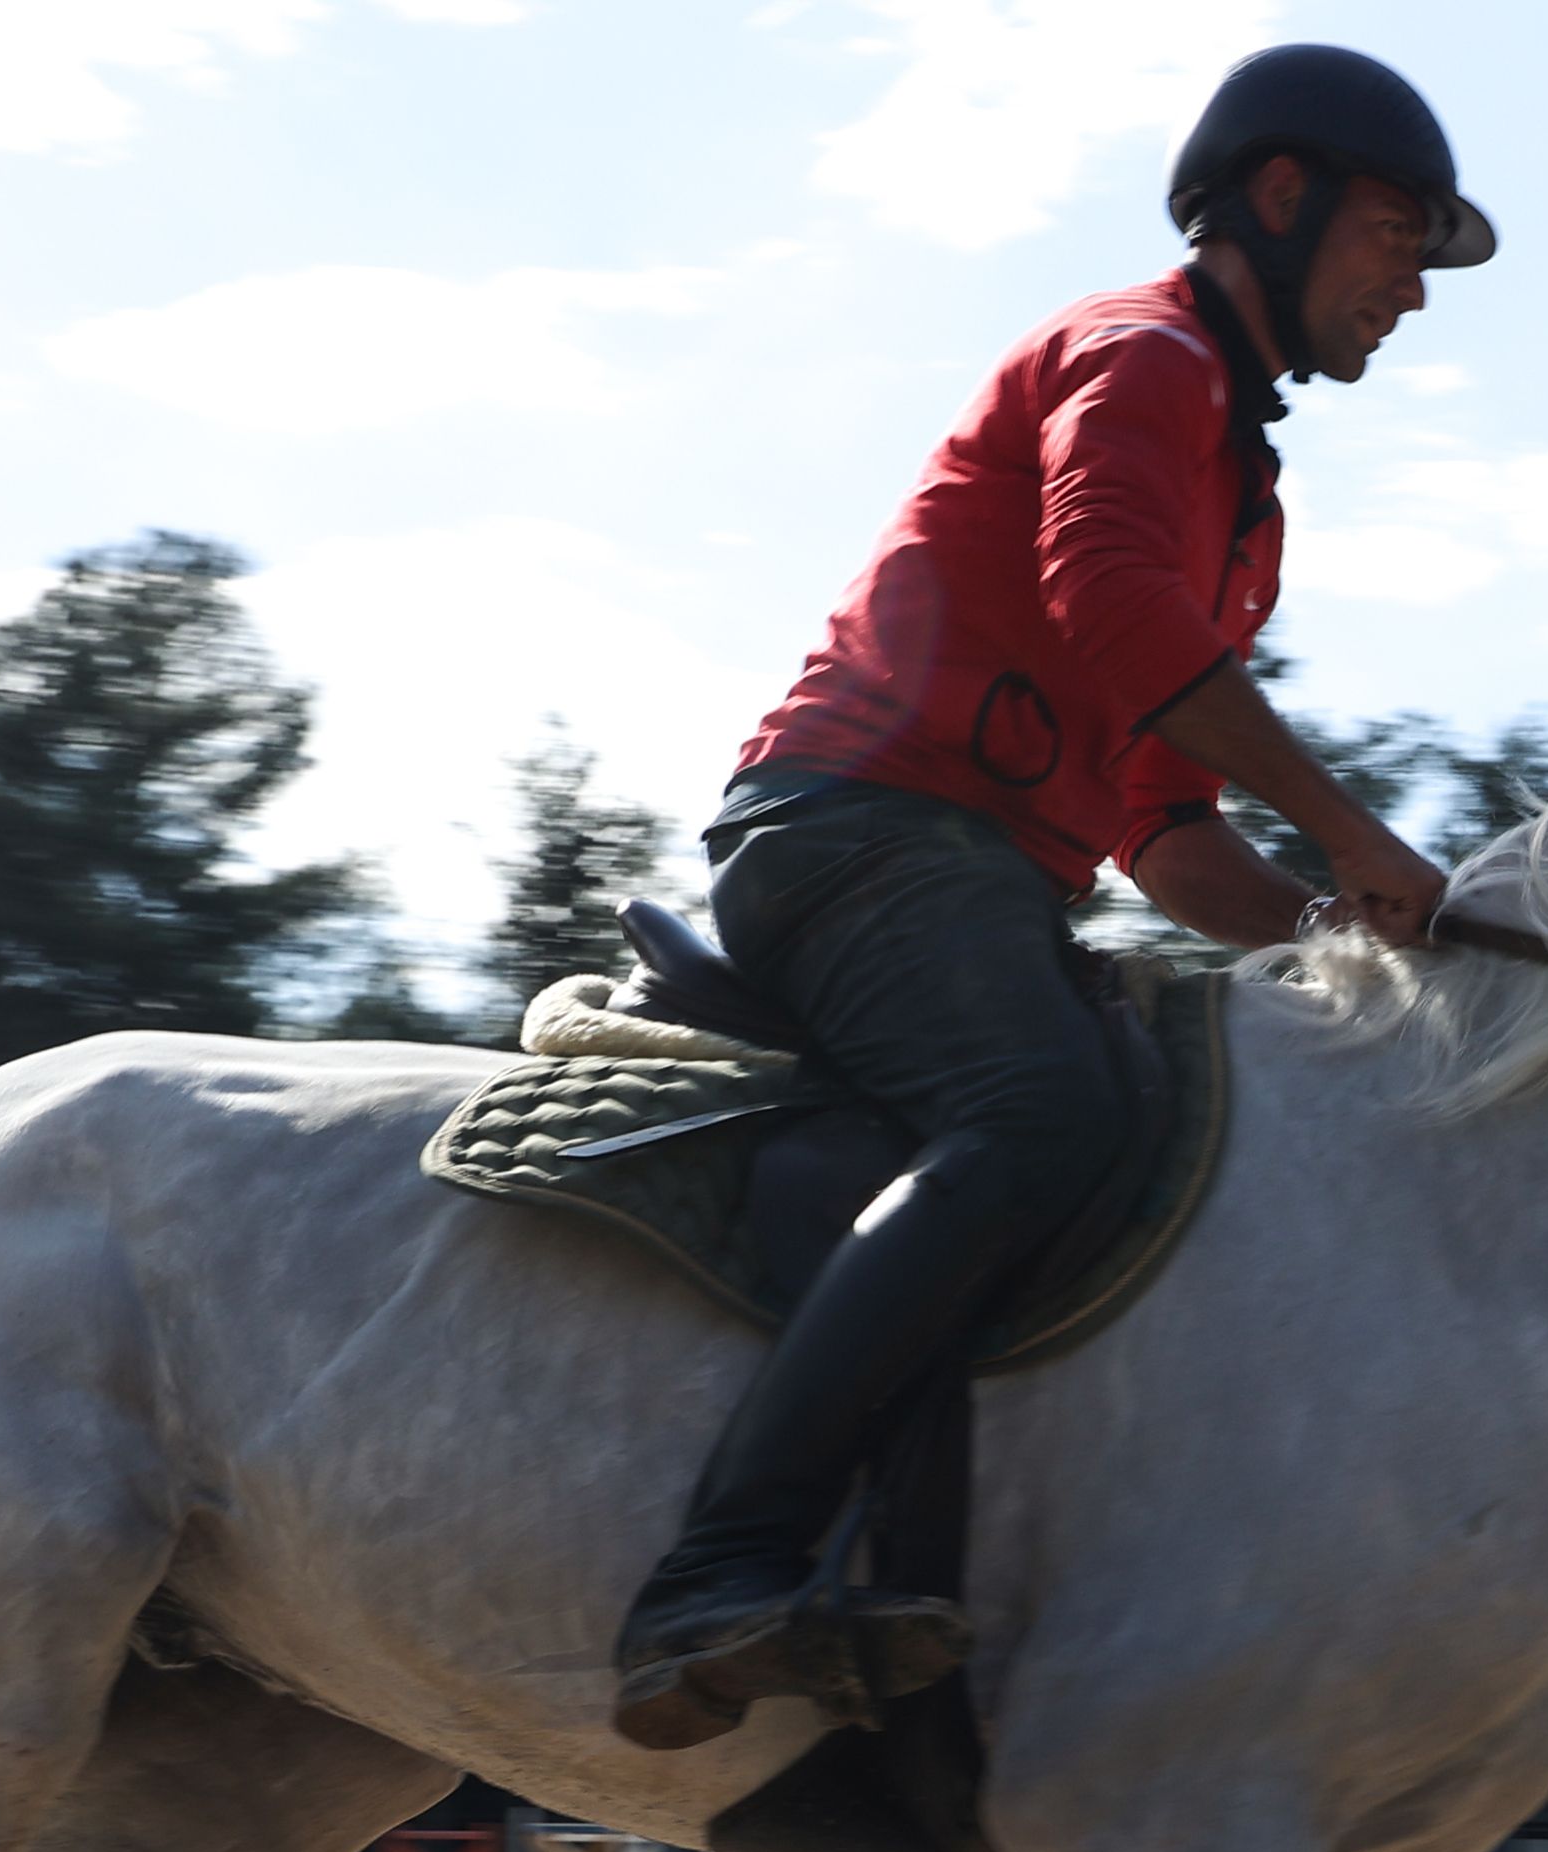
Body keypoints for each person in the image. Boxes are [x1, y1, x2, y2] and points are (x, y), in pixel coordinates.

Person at [608, 44, 1497, 1753]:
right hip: (854, 829)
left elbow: (1162, 828)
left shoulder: (1252, 510)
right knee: (1040, 1109)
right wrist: (1347, 823)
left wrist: (1339, 942)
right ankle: (717, 1572)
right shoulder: (1141, 352)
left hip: (986, 880)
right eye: (1397, 232)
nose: (1411, 286)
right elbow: (1107, 602)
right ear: (1280, 197)